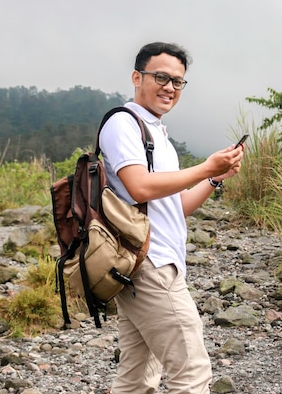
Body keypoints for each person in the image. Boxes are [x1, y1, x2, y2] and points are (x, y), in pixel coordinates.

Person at [99, 41, 244, 394]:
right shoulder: (124, 123)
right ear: (137, 77)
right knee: (191, 372)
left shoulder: (157, 134)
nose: (169, 87)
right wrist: (204, 166)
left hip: (148, 262)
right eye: (161, 77)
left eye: (177, 82)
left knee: (136, 377)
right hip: (148, 263)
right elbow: (139, 188)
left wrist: (212, 178)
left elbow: (174, 207)